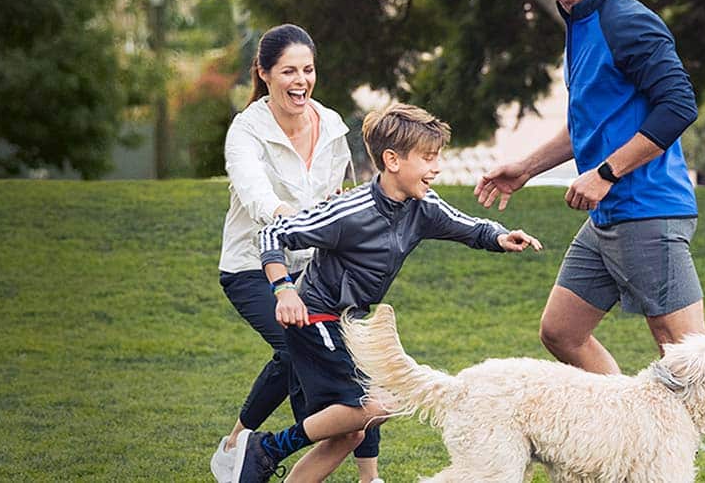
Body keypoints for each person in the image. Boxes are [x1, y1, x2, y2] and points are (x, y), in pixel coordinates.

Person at [474, 0, 705, 482]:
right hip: (610, 216)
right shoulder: (579, 22)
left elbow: (678, 106)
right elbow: (594, 123)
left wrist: (604, 173)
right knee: (561, 332)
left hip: (647, 208)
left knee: (691, 358)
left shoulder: (626, 19)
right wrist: (525, 167)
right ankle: (623, 436)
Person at [230, 103, 543, 482]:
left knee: (349, 432)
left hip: (348, 319)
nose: (436, 167)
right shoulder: (350, 210)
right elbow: (272, 233)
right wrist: (283, 290)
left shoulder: (422, 207)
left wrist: (499, 236)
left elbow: (469, 227)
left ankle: (265, 460)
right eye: (428, 158)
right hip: (315, 315)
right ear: (393, 160)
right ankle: (267, 448)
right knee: (379, 404)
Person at [211, 23, 383, 483]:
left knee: (354, 365)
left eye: (308, 70)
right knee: (294, 347)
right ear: (264, 73)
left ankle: (369, 477)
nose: (300, 81)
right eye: (288, 71)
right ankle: (239, 447)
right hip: (253, 266)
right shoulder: (247, 131)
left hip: (315, 273)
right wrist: (292, 219)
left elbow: (340, 195)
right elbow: (255, 196)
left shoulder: (329, 124)